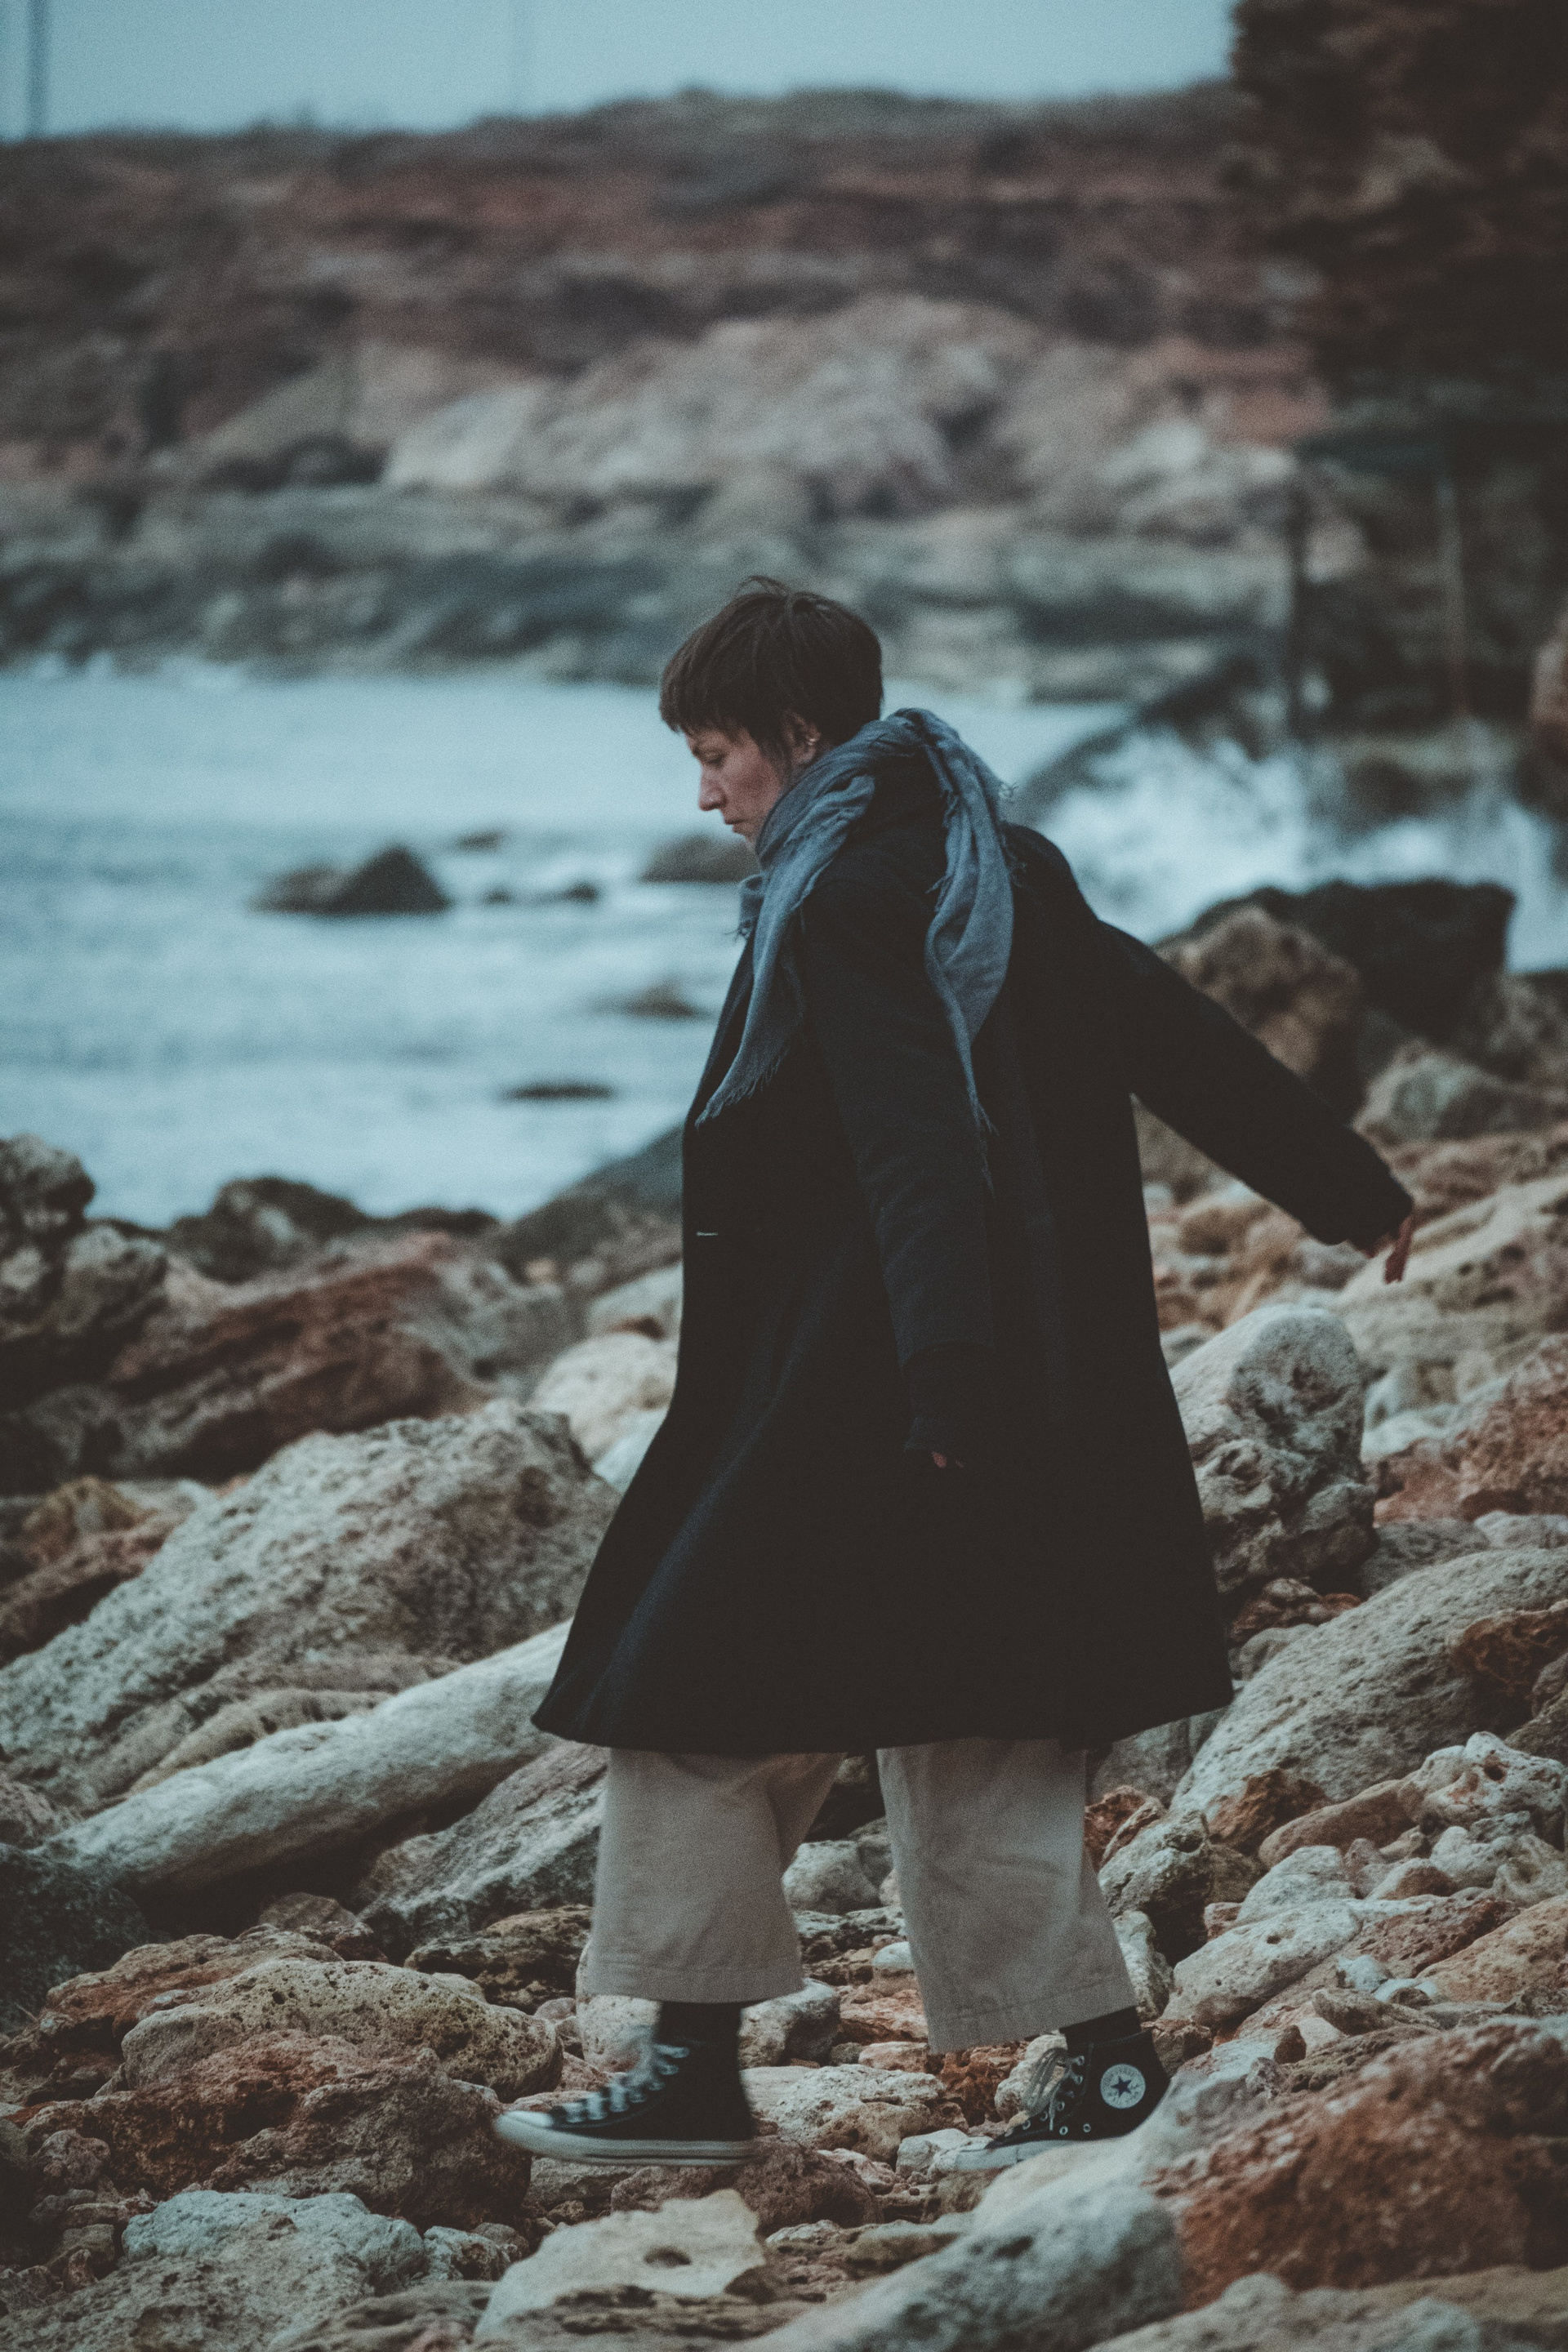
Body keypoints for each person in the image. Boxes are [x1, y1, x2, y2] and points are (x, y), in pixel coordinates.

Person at [497, 578, 1414, 2171]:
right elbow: (1166, 1028)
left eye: (717, 754)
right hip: (1001, 1386)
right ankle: (1108, 2070)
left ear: (800, 737)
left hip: (876, 1389)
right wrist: (1351, 1188)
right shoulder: (998, 861)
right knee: (977, 1714)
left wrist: (943, 1383)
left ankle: (692, 2077)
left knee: (688, 1693)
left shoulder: (847, 894)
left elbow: (921, 1148)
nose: (703, 793)